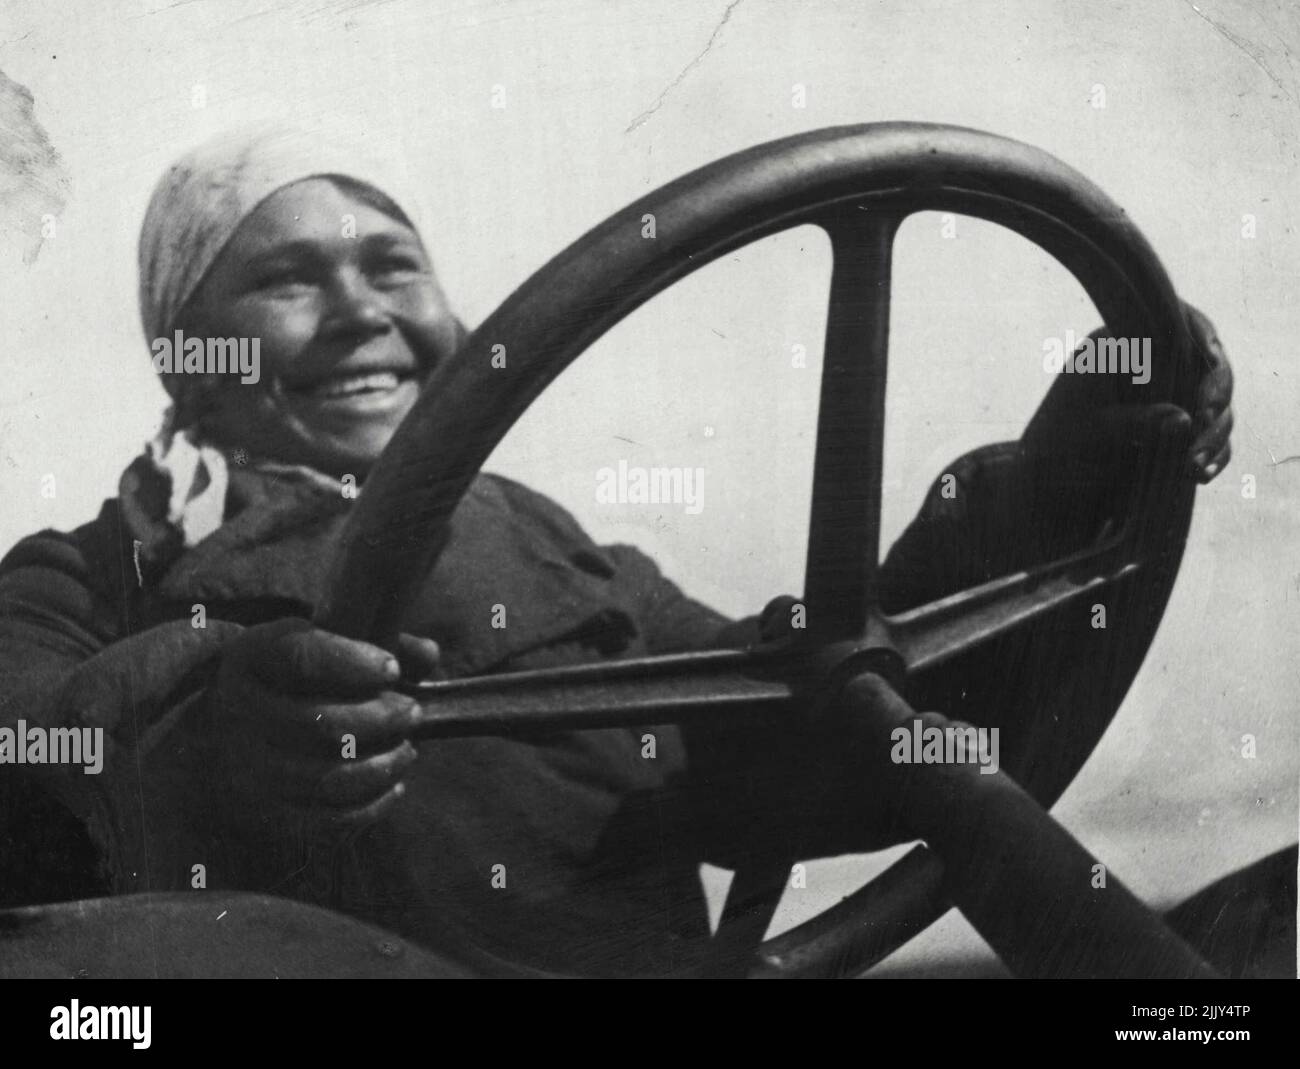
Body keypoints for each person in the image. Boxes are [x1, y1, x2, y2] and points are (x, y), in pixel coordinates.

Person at [0, 127, 1235, 977]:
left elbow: (816, 721)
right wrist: (206, 751)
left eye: (391, 264)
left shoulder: (563, 557)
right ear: (184, 351)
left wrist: (1047, 488)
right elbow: (35, 774)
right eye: (284, 278)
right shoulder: (91, 574)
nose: (363, 310)